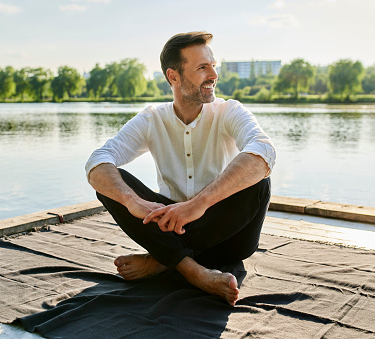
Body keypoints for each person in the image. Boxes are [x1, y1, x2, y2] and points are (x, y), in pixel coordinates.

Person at [85, 31, 276, 306]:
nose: (213, 75)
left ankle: (162, 262)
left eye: (213, 65)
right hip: (171, 227)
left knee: (258, 180)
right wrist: (132, 202)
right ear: (173, 77)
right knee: (112, 183)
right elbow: (97, 161)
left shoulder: (229, 111)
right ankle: (194, 271)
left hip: (229, 235)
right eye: (202, 67)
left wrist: (200, 203)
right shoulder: (152, 118)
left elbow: (264, 151)